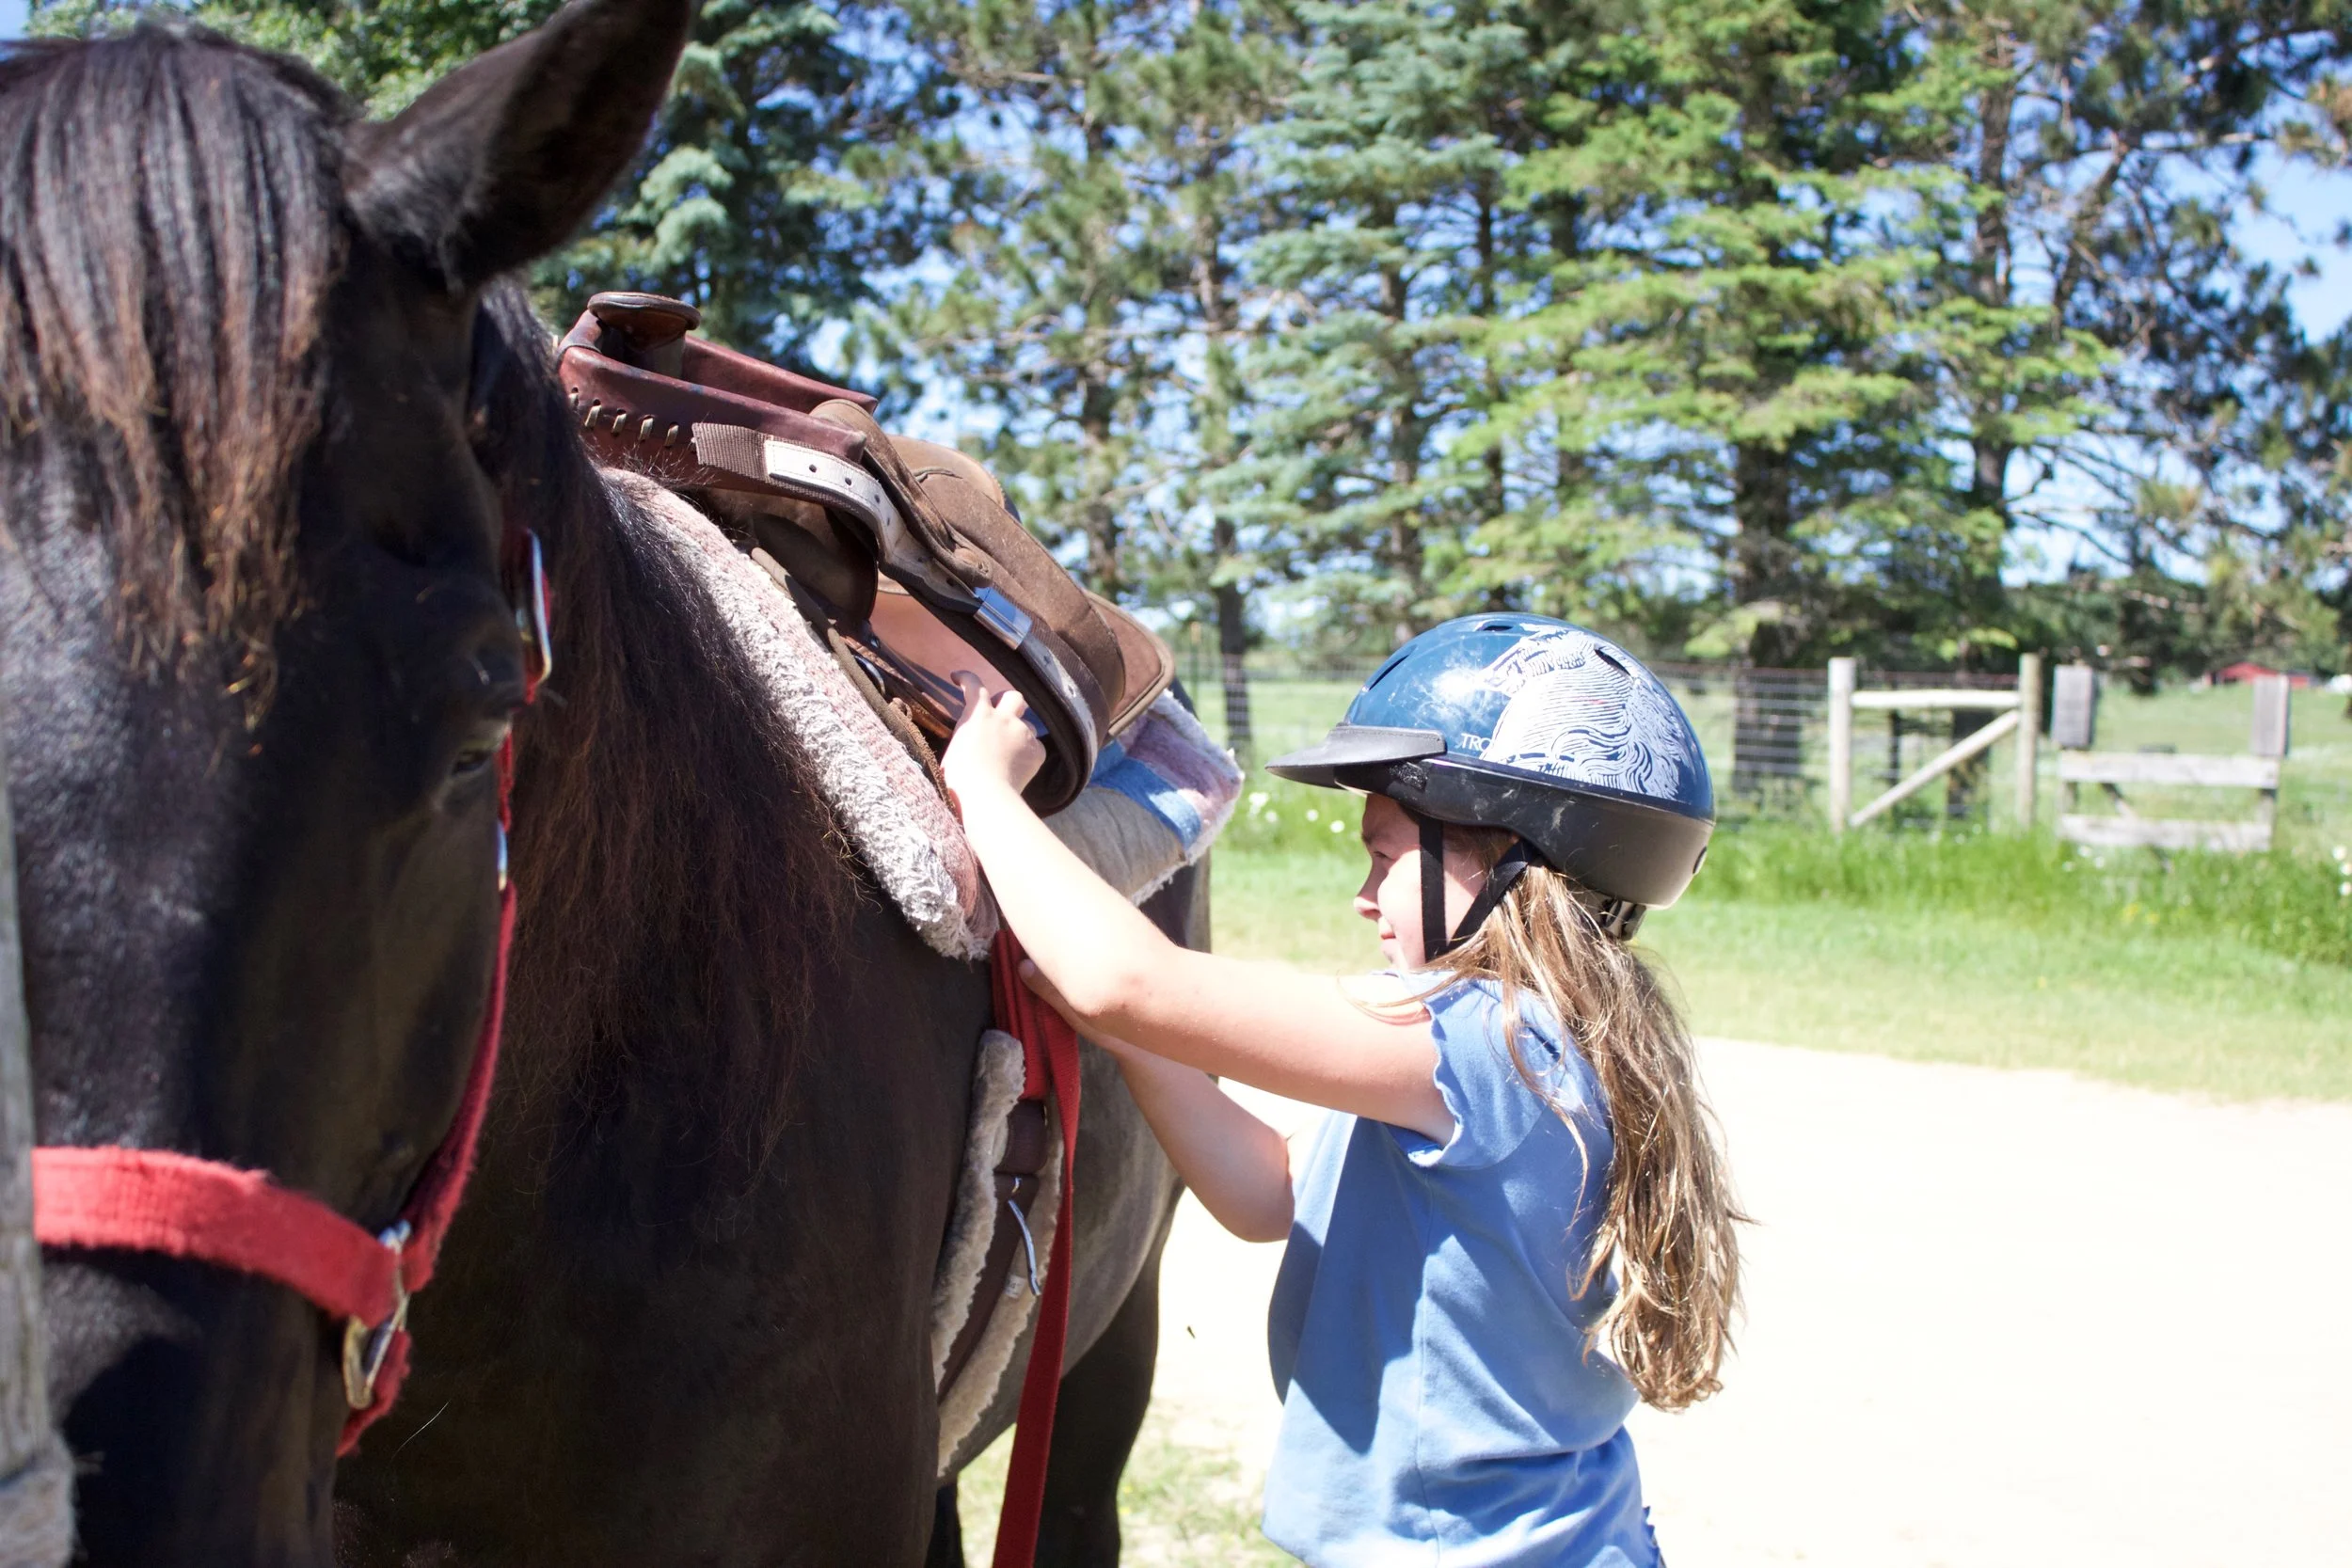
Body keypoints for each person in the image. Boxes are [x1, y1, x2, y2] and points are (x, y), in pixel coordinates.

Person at [941, 614, 1741, 1567]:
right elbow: (1271, 1188)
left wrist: (983, 788)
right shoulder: (1547, 1045)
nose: (1362, 896)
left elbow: (1130, 978)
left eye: (1385, 855)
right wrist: (1133, 1044)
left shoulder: (1483, 1040)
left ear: (1513, 860)